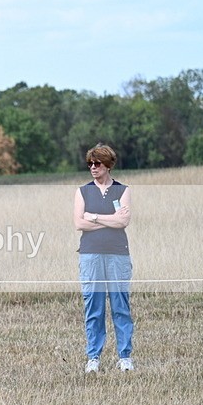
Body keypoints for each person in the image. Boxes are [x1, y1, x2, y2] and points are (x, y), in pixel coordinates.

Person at [73, 142, 136, 373]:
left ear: (108, 165)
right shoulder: (82, 191)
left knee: (120, 305)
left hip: (118, 254)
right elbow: (79, 222)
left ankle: (125, 356)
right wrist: (109, 219)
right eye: (89, 163)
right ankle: (93, 358)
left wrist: (95, 218)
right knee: (94, 307)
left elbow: (123, 222)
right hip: (90, 256)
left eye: (97, 163)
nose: (93, 167)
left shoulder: (123, 190)